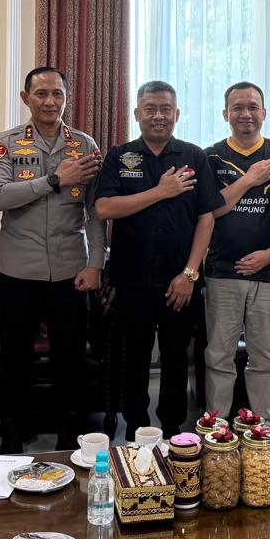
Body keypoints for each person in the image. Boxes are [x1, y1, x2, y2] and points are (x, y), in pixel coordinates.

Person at [94, 81, 222, 438]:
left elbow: (207, 218)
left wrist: (190, 274)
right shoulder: (120, 156)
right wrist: (160, 192)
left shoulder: (193, 157)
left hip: (179, 280)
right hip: (131, 278)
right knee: (134, 356)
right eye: (150, 108)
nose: (158, 115)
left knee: (175, 356)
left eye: (166, 108)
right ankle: (136, 428)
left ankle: (171, 430)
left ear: (176, 114)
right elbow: (104, 208)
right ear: (137, 114)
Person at [0, 67, 106, 453]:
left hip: (71, 270)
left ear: (67, 98)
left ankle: (69, 435)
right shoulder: (5, 144)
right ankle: (12, 432)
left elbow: (95, 212)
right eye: (41, 94)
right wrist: (54, 179)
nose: (50, 101)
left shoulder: (84, 145)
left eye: (57, 94)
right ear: (26, 98)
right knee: (15, 359)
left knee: (69, 359)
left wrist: (95, 263)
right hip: (17, 271)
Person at [203, 82, 270, 418]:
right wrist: (249, 179)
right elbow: (213, 210)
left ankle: (263, 427)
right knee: (219, 355)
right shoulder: (210, 157)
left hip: (268, 273)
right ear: (225, 114)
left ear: (264, 113)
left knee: (264, 356)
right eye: (238, 107)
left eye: (253, 106)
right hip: (222, 272)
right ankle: (215, 427)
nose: (246, 113)